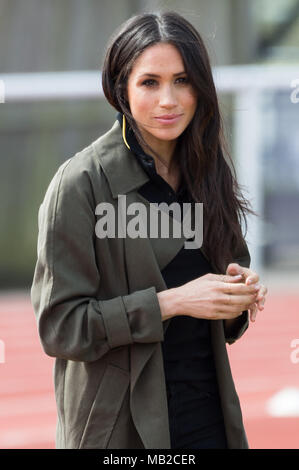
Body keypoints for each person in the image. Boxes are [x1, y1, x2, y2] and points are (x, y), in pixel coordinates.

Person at [31, 11, 267, 449]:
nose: (169, 100)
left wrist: (238, 294)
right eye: (150, 82)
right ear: (121, 88)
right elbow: (61, 327)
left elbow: (225, 306)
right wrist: (171, 303)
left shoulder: (207, 171)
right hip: (121, 432)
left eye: (182, 80)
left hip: (208, 420)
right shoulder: (79, 183)